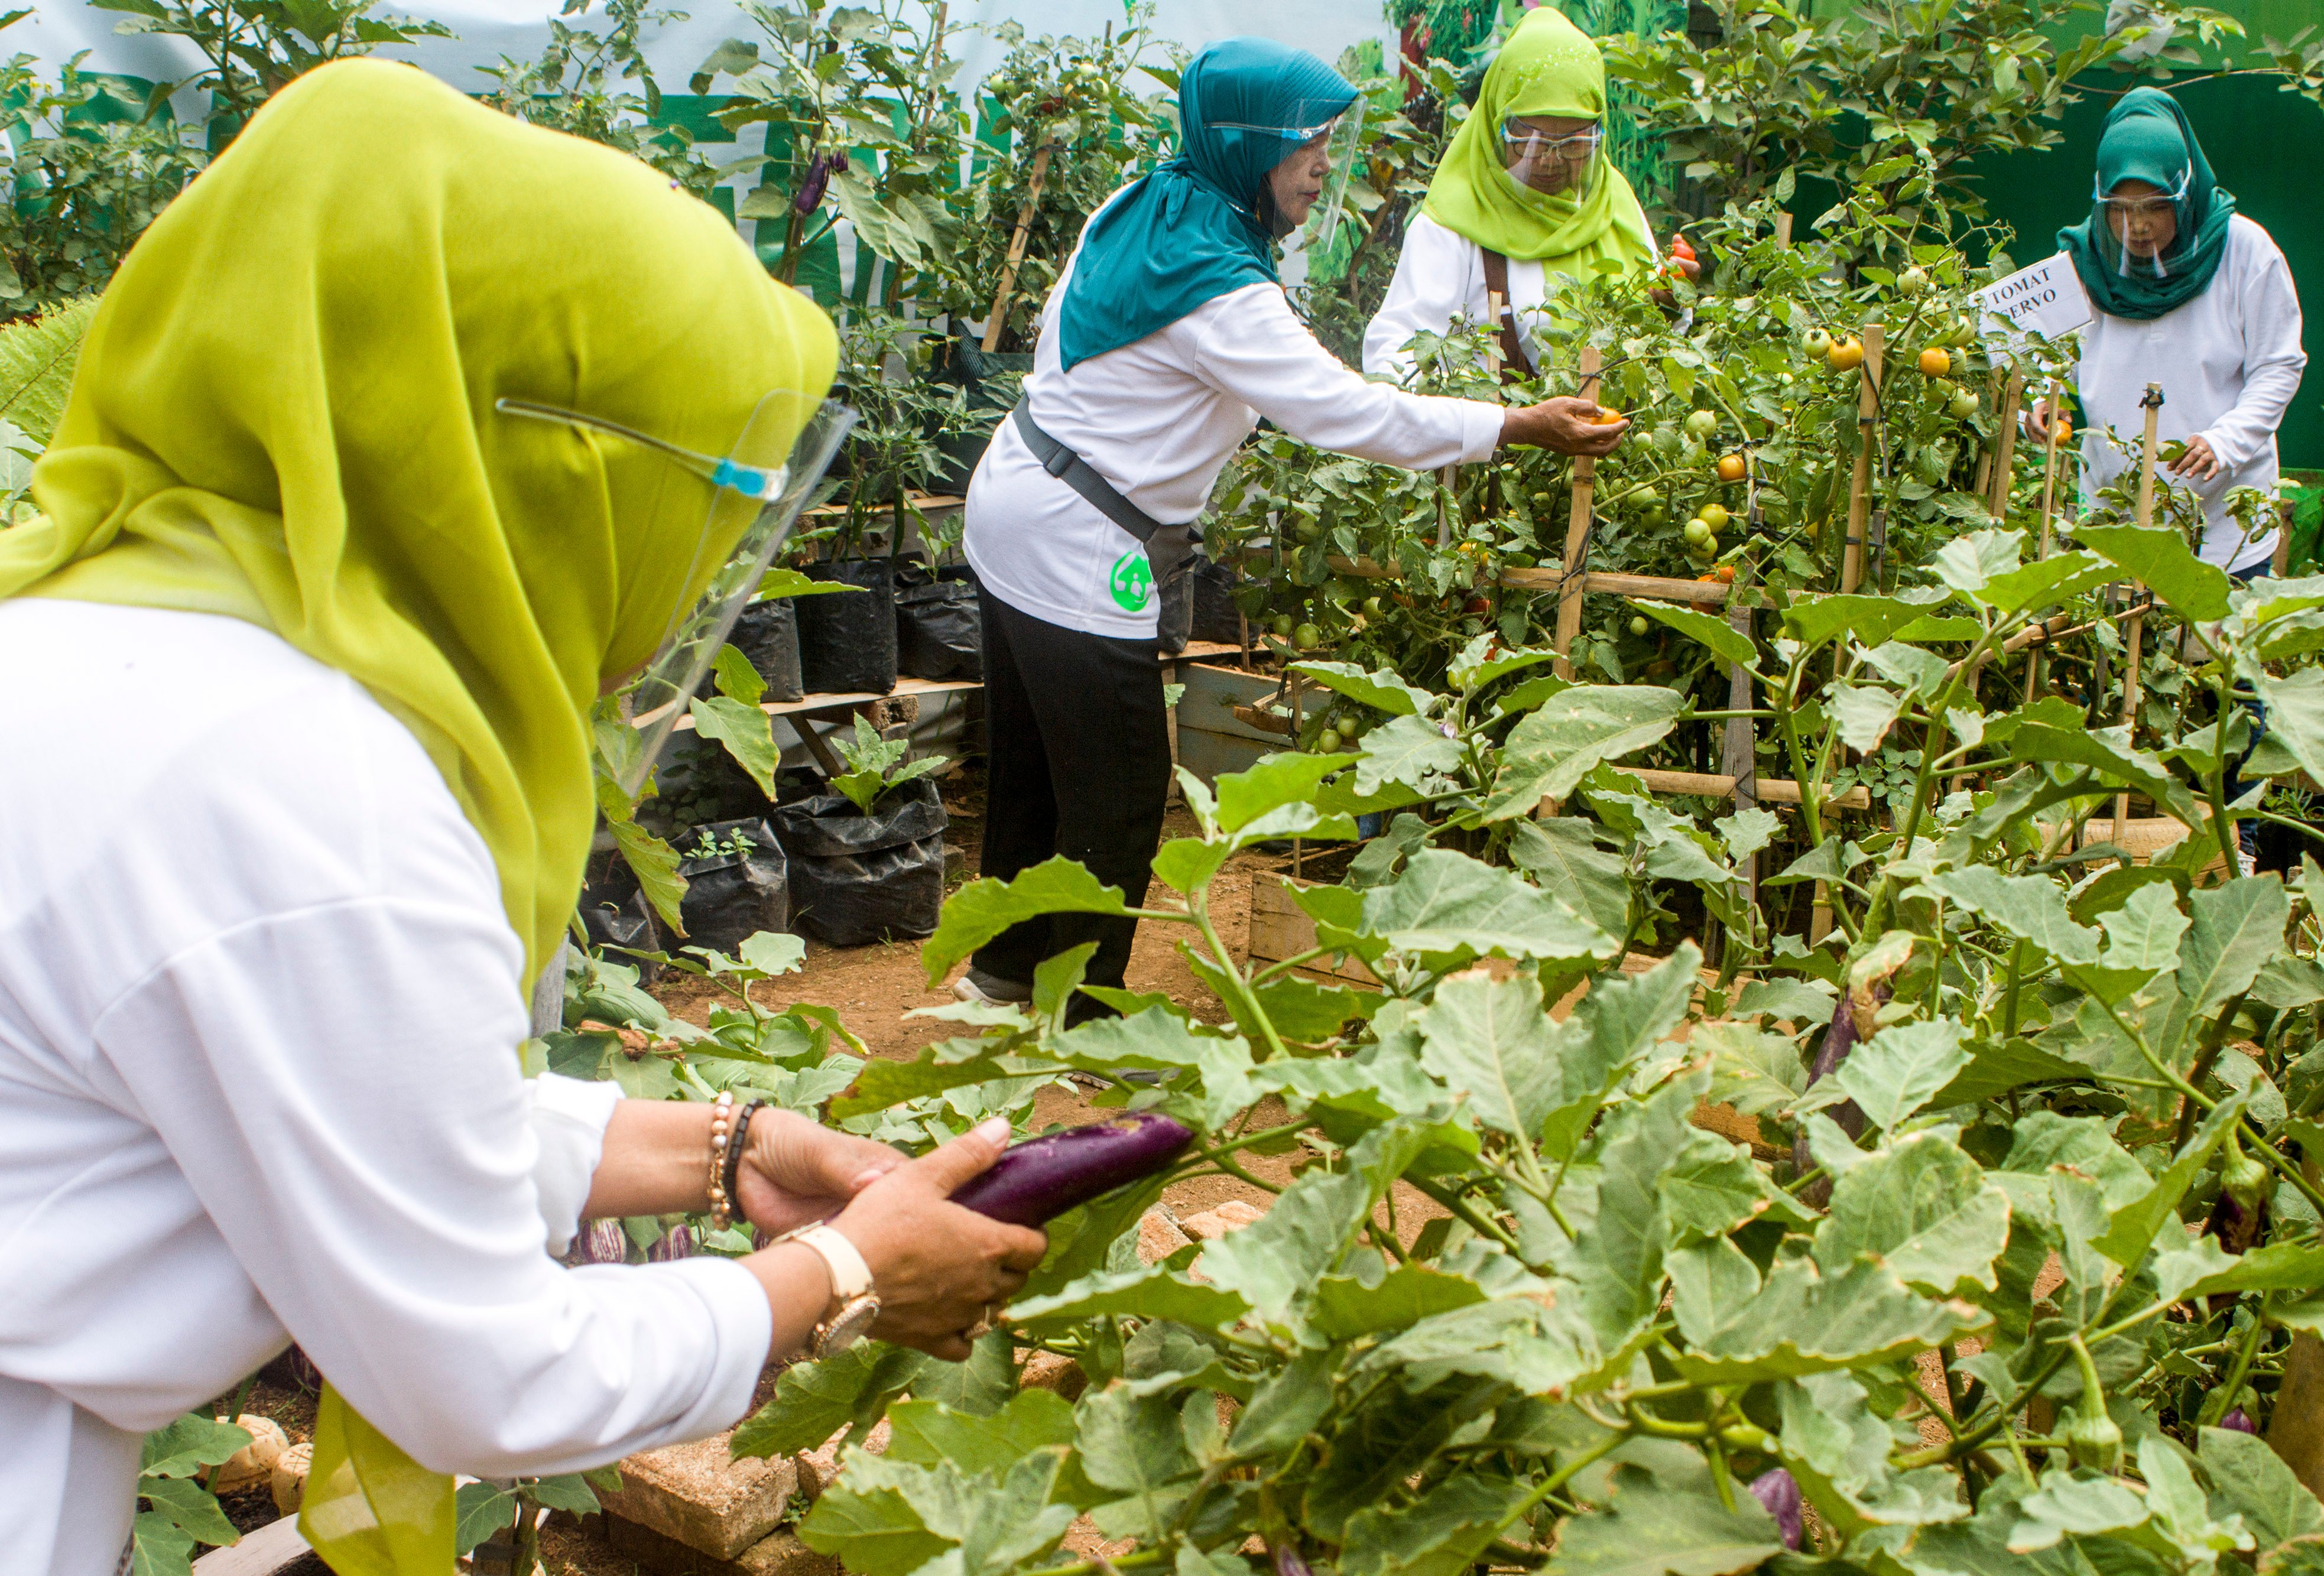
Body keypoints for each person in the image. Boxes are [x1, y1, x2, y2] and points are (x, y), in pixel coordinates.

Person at [0, 62, 1043, 1576]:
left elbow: (297, 1081)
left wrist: (712, 1148)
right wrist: (842, 1273)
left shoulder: (95, 641)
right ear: (557, 474)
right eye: (707, 499)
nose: (698, 566)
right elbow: (485, 1367)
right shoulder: (312, 797)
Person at [955, 36, 1624, 1011]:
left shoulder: (1153, 201)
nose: (1321, 167)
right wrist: (1517, 425)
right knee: (1123, 788)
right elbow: (1348, 411)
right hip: (1077, 537)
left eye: (1328, 144)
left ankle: (1004, 975)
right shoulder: (1220, 287)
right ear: (1248, 144)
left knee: (1038, 767)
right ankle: (1081, 1015)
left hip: (1017, 491)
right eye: (1305, 146)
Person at [2031, 85, 2304, 576]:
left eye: (2154, 206)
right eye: (2119, 207)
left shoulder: (2245, 252)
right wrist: (2041, 406)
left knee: (2214, 651)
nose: (2136, 226)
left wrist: (2227, 441)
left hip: (2224, 526)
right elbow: (2038, 364)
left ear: (2184, 190)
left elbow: (2279, 366)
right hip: (2114, 526)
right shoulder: (2078, 264)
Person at [1363, 7, 1689, 381]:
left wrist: (1670, 302)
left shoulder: (1613, 204)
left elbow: (1657, 349)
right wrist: (1479, 418)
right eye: (1530, 142)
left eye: (1575, 143)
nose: (1550, 161)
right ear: (1495, 125)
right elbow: (1390, 356)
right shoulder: (1455, 222)